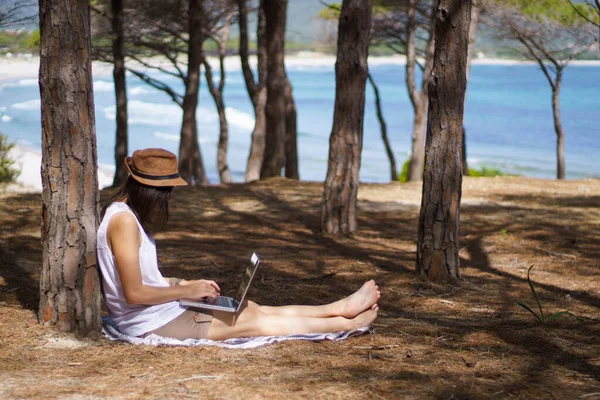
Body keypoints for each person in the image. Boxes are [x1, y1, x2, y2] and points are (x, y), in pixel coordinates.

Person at [97, 148, 380, 341]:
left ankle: (340, 306)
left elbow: (141, 279)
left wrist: (186, 284)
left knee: (251, 308)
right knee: (253, 322)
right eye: (166, 192)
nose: (169, 199)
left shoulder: (126, 216)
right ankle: (346, 324)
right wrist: (185, 290)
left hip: (158, 312)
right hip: (148, 323)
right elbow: (133, 293)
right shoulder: (123, 222)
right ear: (149, 190)